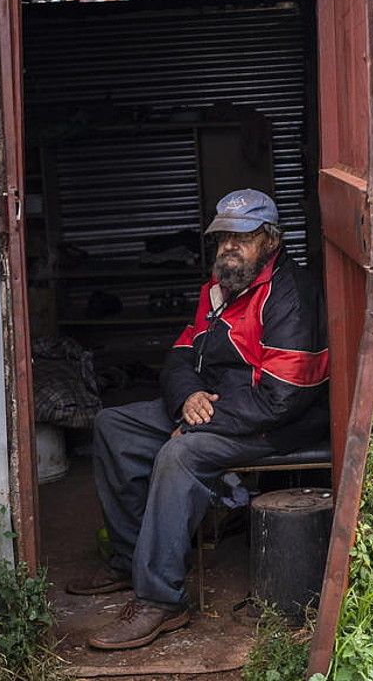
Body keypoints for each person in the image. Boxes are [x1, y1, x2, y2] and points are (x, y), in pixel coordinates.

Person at [67, 189, 330, 651]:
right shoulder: (220, 286)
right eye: (223, 236)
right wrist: (187, 396)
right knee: (113, 426)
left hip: (271, 425)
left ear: (270, 240)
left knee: (181, 453)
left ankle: (162, 600)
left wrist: (198, 424)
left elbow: (283, 397)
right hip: (211, 406)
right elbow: (181, 354)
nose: (229, 245)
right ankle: (131, 561)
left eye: (242, 236)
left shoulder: (291, 296)